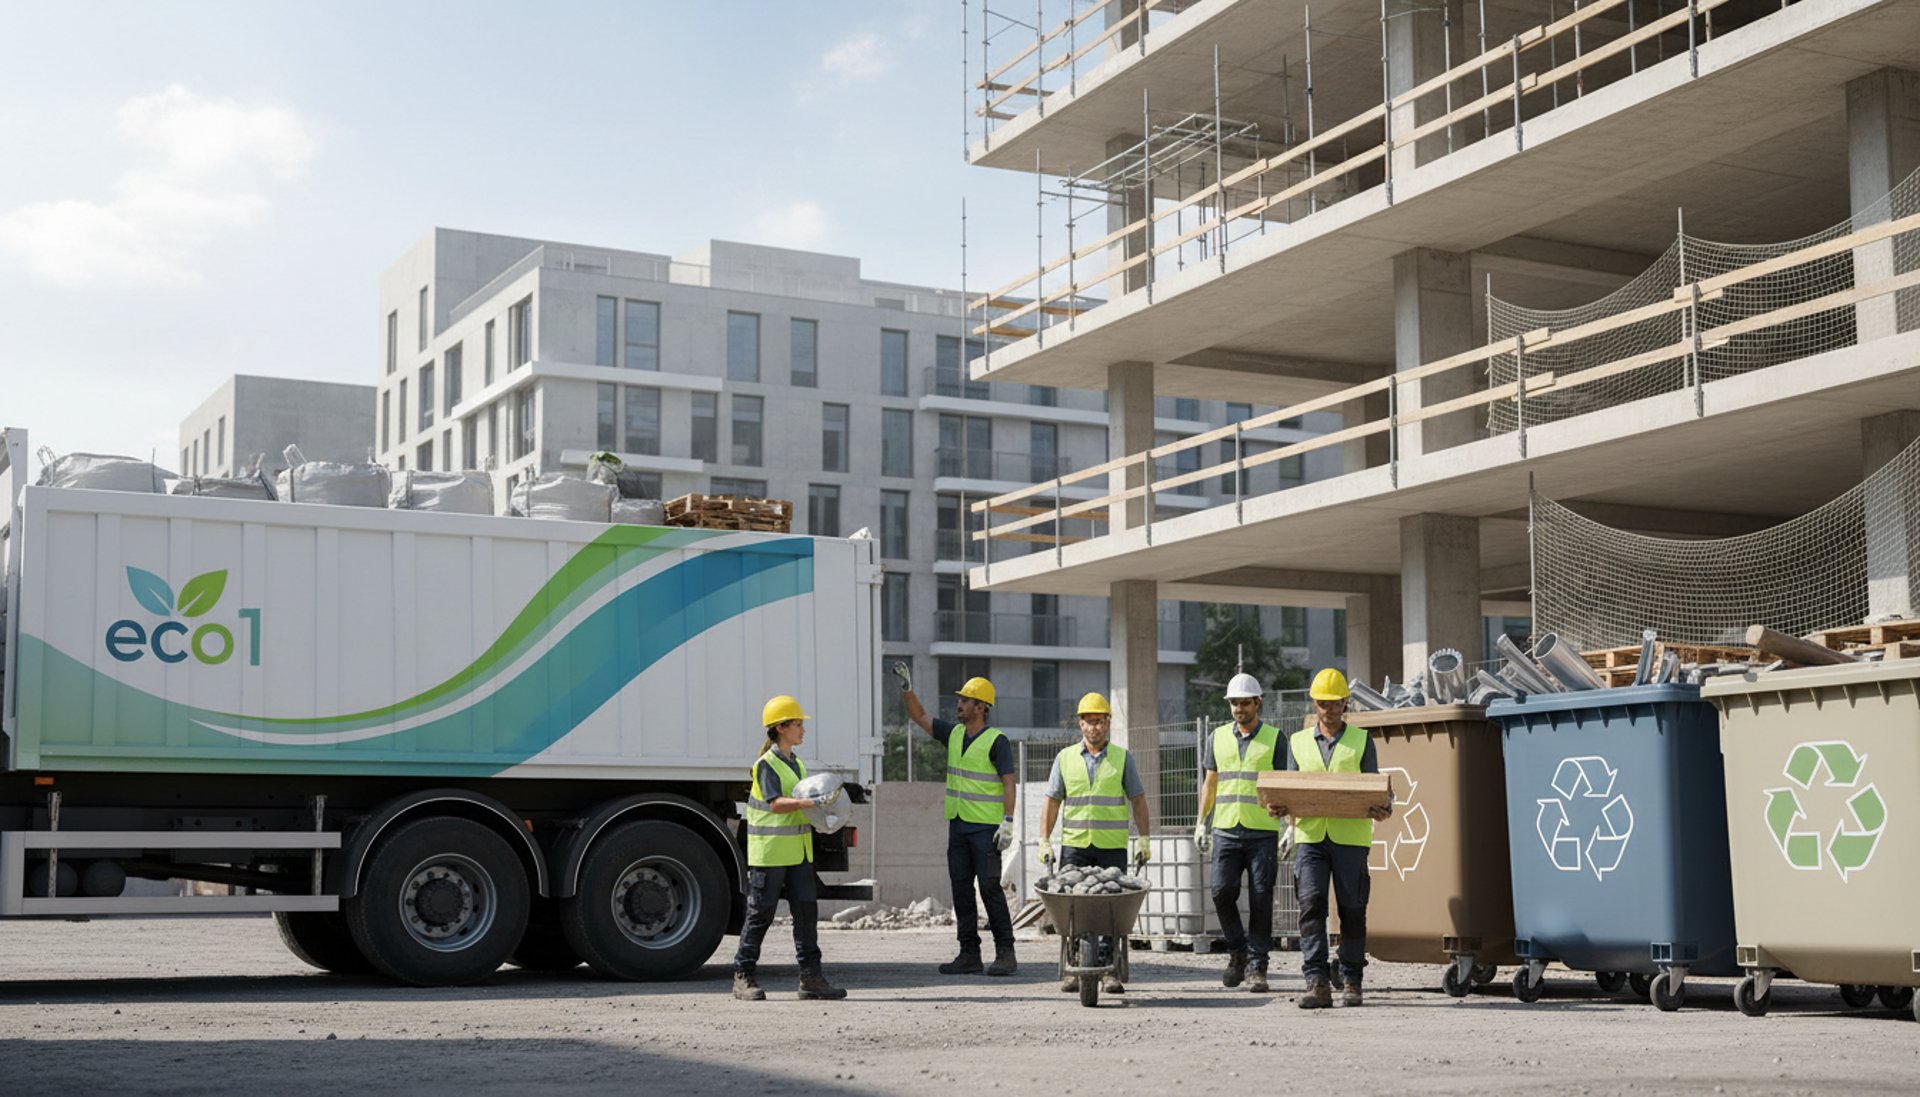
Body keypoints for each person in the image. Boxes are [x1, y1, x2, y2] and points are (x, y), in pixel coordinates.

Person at [1267, 668, 1391, 1009]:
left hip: (1350, 839)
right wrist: (1281, 811)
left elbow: (1375, 788)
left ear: (1345, 704)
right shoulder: (1297, 742)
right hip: (1310, 837)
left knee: (1352, 910)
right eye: (1323, 704)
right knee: (1311, 906)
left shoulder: (1362, 741)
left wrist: (1383, 808)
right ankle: (1317, 982)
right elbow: (1290, 790)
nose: (1330, 710)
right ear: (1315, 704)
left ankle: (1351, 979)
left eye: (1336, 704)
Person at [894, 663, 1019, 977]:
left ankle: (1006, 952)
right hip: (959, 826)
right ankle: (969, 954)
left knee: (989, 888)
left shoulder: (996, 741)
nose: (958, 705)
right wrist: (908, 689)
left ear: (981, 707)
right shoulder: (953, 734)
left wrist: (1008, 821)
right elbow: (920, 717)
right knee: (961, 889)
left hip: (987, 830)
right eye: (960, 700)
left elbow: (1008, 781)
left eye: (965, 701)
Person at [732, 695, 848, 1002]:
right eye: (798, 724)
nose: (803, 730)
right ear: (781, 727)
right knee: (761, 915)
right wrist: (812, 803)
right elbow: (777, 804)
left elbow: (799, 807)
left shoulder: (794, 763)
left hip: (798, 854)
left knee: (806, 915)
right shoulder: (766, 765)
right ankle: (743, 976)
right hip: (770, 854)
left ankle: (811, 979)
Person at [1035, 692, 1152, 994]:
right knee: (1073, 910)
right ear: (1080, 724)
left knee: (1112, 911)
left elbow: (1138, 800)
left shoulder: (1123, 758)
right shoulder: (1065, 759)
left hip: (1111, 846)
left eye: (1099, 721)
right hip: (1074, 846)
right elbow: (1052, 801)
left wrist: (1144, 837)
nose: (1094, 727)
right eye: (1089, 721)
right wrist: (1044, 840)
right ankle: (1074, 965)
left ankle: (1109, 967)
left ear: (1108, 723)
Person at [1193, 673, 1285, 993]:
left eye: (1244, 702)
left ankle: (1258, 964)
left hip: (1262, 830)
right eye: (1234, 703)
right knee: (1220, 891)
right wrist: (1201, 821)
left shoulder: (1276, 738)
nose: (1238, 708)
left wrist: (1289, 826)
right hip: (1226, 829)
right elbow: (1211, 782)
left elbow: (1284, 785)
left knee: (1261, 896)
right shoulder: (1216, 737)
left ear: (1258, 702)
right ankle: (1237, 951)